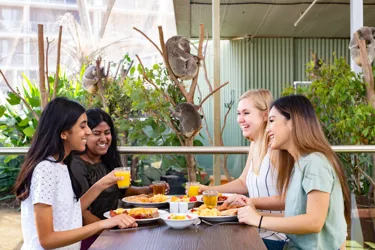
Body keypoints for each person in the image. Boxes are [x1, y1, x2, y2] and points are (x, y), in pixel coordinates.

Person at [14, 97, 137, 250]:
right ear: (64, 133)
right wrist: (104, 224)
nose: (88, 132)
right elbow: (46, 240)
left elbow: (71, 211)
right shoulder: (45, 169)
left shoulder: (61, 164)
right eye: (83, 126)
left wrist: (102, 183)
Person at [236, 95, 350, 250]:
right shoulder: (301, 163)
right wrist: (251, 209)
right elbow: (294, 216)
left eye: (272, 121)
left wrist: (259, 220)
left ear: (292, 122)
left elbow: (314, 222)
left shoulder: (315, 163)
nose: (267, 128)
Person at [198, 89, 287, 243]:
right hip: (253, 230)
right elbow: (243, 182)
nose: (240, 119)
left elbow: (289, 199)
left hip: (274, 236)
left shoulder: (276, 149)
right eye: (238, 113)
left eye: (246, 113)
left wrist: (250, 203)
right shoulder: (255, 145)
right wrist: (209, 190)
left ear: (265, 115)